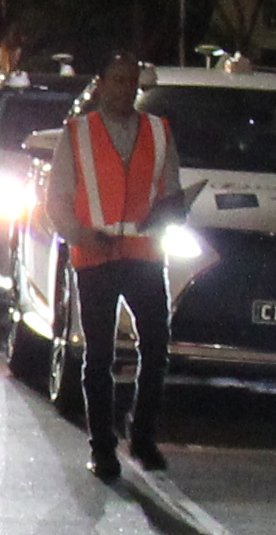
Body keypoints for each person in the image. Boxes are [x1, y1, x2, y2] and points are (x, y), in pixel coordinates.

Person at [47, 50, 181, 483]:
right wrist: (85, 237)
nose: (124, 89)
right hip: (96, 258)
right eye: (116, 80)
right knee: (99, 355)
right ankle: (103, 447)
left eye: (130, 81)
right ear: (100, 84)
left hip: (143, 254)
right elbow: (58, 202)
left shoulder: (159, 132)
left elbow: (171, 190)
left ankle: (141, 436)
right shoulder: (77, 133)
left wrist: (171, 214)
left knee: (156, 347)